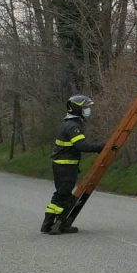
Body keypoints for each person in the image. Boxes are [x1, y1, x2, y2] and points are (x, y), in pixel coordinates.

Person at [41, 94, 103, 235]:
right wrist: (101, 147)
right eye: (85, 107)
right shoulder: (73, 126)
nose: (88, 110)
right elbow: (80, 146)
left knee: (59, 195)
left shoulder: (68, 123)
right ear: (77, 108)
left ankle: (47, 224)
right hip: (66, 166)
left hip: (61, 165)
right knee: (64, 196)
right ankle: (59, 226)